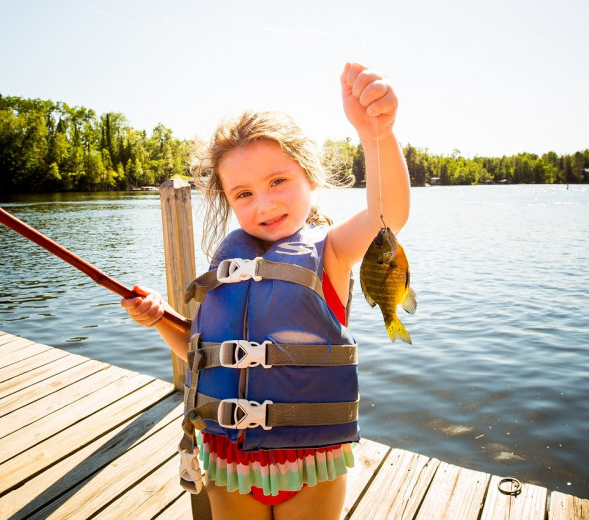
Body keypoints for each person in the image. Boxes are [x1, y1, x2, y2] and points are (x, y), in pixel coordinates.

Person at [121, 62, 410, 520]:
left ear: (310, 178)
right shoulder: (227, 265)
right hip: (227, 460)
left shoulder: (331, 251)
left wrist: (377, 136)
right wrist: (158, 319)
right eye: (243, 194)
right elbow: (200, 354)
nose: (264, 203)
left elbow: (387, 213)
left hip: (310, 463)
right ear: (228, 200)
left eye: (278, 181)